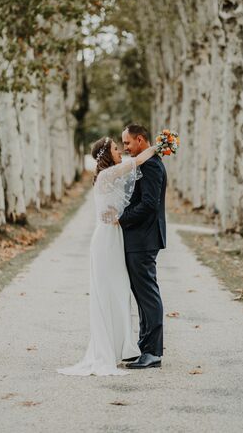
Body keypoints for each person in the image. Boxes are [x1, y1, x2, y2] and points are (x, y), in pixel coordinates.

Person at [58, 135, 158, 376]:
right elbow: (139, 160)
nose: (120, 151)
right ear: (106, 154)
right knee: (107, 293)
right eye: (116, 148)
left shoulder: (113, 174)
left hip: (116, 237)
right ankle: (105, 351)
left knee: (120, 291)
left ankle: (121, 347)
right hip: (105, 240)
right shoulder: (106, 175)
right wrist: (160, 145)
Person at [120, 124, 167, 369]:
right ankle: (145, 345)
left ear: (140, 139)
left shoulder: (150, 165)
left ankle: (153, 352)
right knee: (141, 295)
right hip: (139, 238)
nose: (125, 148)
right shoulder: (144, 162)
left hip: (143, 239)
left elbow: (149, 204)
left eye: (127, 143)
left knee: (148, 294)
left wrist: (121, 218)